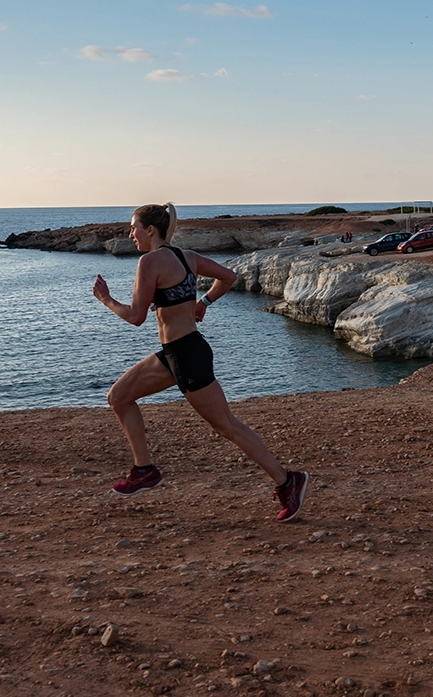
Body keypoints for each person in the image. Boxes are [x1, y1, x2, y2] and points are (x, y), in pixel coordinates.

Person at [93, 203, 309, 521]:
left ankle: (287, 481)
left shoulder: (149, 261)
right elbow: (228, 276)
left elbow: (136, 317)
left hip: (186, 355)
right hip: (177, 352)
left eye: (133, 227)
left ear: (150, 230)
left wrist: (106, 299)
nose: (131, 234)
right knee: (119, 397)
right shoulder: (187, 257)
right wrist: (203, 302)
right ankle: (144, 470)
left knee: (227, 426)